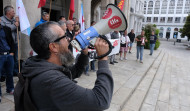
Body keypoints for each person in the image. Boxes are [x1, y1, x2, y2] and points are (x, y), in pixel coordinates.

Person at [18, 21, 113, 110]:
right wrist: (103, 59)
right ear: (53, 47)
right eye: (64, 36)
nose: (68, 40)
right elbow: (101, 100)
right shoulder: (51, 80)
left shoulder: (43, 64)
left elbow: (75, 72)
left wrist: (84, 53)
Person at [1, 6, 19, 77]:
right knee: (7, 59)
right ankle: (5, 74)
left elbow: (18, 29)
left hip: (15, 42)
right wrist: (15, 25)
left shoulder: (14, 20)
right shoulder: (1, 20)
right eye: (13, 11)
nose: (14, 12)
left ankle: (15, 72)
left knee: (16, 59)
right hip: (7, 44)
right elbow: (6, 30)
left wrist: (18, 22)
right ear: (8, 12)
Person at [0, 17, 15, 103]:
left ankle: (10, 89)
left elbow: (12, 41)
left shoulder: (6, 29)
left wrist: (12, 52)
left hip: (9, 54)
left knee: (10, 73)